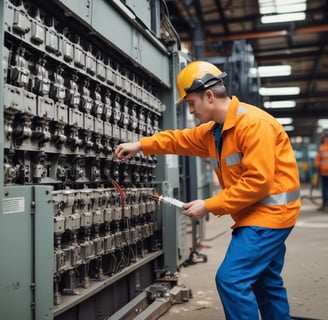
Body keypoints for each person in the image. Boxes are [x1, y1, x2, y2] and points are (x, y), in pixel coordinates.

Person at [114, 61, 301, 320]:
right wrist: (141, 145)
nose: (191, 111)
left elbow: (258, 182)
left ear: (209, 96)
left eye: (191, 103)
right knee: (265, 282)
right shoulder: (216, 132)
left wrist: (209, 205)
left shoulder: (254, 125)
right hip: (255, 214)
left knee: (231, 279)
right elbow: (178, 139)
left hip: (270, 215)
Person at [314, 131, 328, 211]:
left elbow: (317, 161)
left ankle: (325, 204)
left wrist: (317, 168)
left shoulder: (321, 148)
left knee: (325, 188)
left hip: (324, 172)